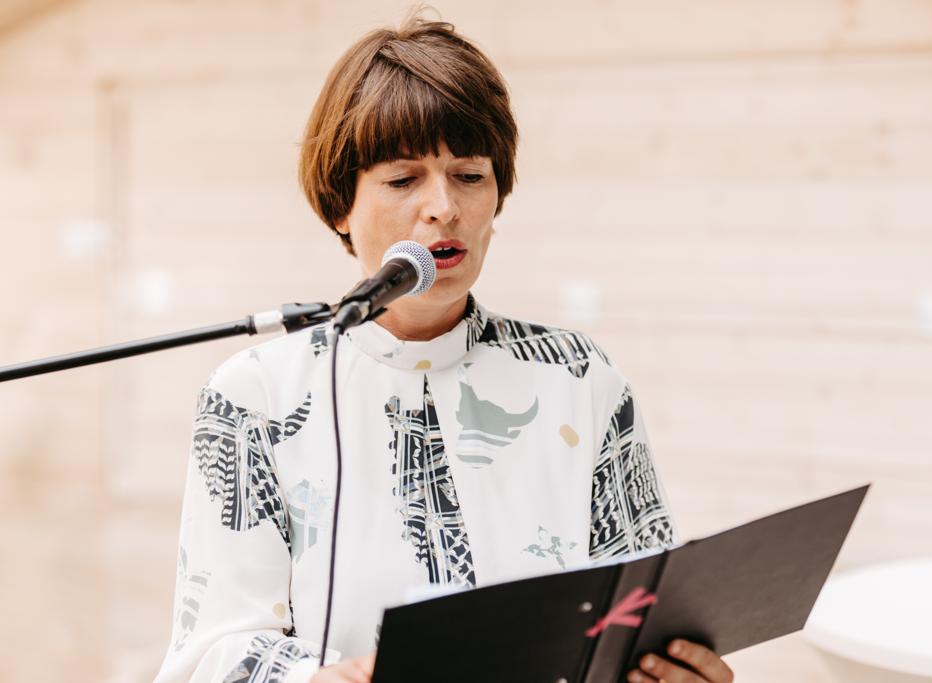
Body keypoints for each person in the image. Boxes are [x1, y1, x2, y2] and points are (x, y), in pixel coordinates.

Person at [155, 12, 734, 683]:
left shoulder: (579, 375)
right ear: (341, 205)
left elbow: (643, 608)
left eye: (469, 174)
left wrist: (674, 669)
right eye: (403, 180)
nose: (443, 207)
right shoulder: (254, 390)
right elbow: (210, 650)